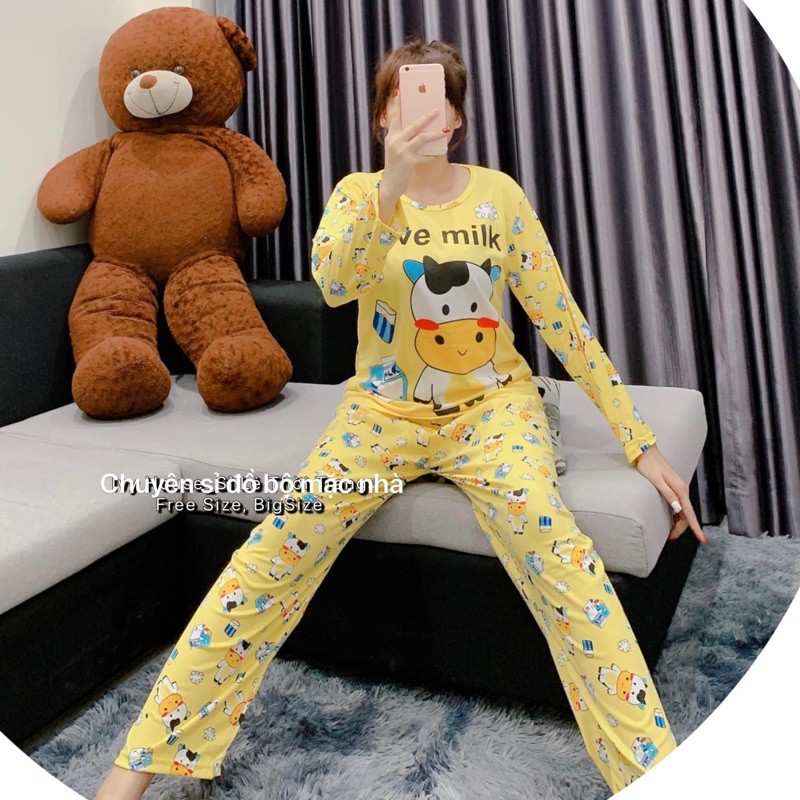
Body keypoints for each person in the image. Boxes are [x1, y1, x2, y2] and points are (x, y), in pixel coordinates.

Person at [94, 37, 706, 800]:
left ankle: (651, 772)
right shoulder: (358, 194)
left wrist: (639, 443)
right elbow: (335, 283)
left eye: (436, 98)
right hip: (380, 416)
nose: (419, 111)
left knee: (560, 554)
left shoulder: (499, 197)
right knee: (271, 554)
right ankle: (136, 768)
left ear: (456, 117)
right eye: (402, 97)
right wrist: (389, 190)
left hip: (493, 409)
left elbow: (562, 322)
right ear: (384, 116)